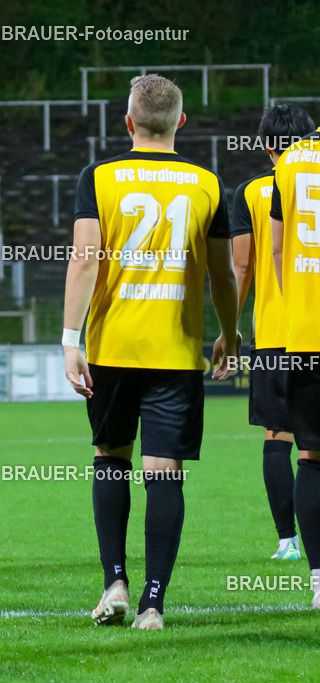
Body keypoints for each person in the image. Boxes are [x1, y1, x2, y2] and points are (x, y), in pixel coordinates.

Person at [63, 74, 241, 630]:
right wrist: (231, 333)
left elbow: (85, 260)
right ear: (180, 122)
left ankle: (114, 581)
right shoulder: (207, 183)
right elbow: (222, 273)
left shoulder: (100, 176)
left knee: (110, 458)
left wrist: (72, 339)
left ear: (129, 122)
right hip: (175, 352)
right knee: (164, 475)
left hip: (113, 347)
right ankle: (153, 605)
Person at [230, 105, 315, 560]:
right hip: (313, 327)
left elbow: (241, 265)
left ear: (265, 145)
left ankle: (287, 541)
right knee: (315, 450)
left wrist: (231, 327)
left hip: (274, 335)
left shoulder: (250, 192)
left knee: (276, 437)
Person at [271, 115, 320, 608]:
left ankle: (319, 582)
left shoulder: (292, 160)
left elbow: (280, 251)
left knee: (310, 456)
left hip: (306, 335)